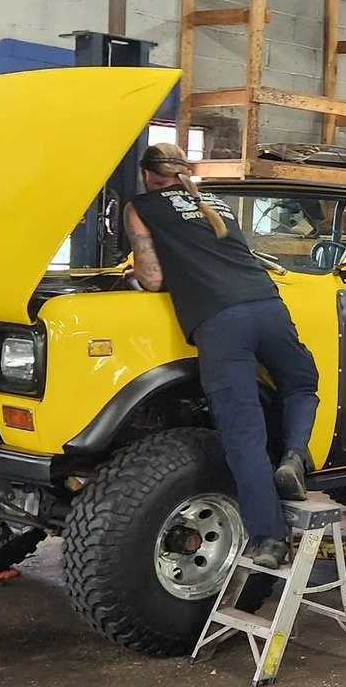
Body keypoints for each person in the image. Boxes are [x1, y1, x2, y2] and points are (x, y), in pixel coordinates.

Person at [124, 144, 318, 569]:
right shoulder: (214, 202)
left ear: (146, 176)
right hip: (268, 306)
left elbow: (153, 278)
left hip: (220, 322)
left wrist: (134, 275)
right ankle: (294, 456)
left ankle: (270, 540)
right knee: (302, 382)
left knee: (243, 436)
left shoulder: (141, 207)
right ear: (185, 172)